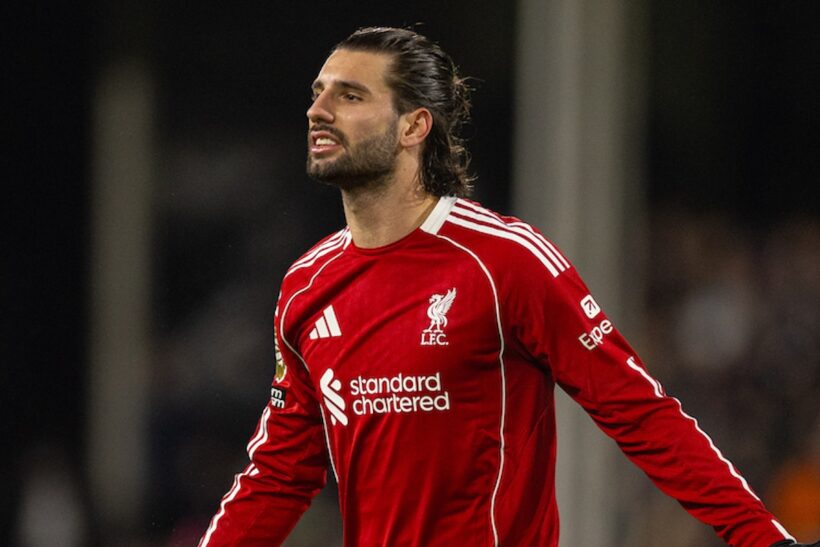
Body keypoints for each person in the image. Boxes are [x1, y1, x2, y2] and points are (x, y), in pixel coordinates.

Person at [199, 27, 817, 547]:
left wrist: (762, 539)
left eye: (350, 94)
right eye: (318, 92)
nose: (319, 109)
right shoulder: (308, 285)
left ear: (415, 125)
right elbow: (280, 472)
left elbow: (640, 414)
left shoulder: (503, 261)